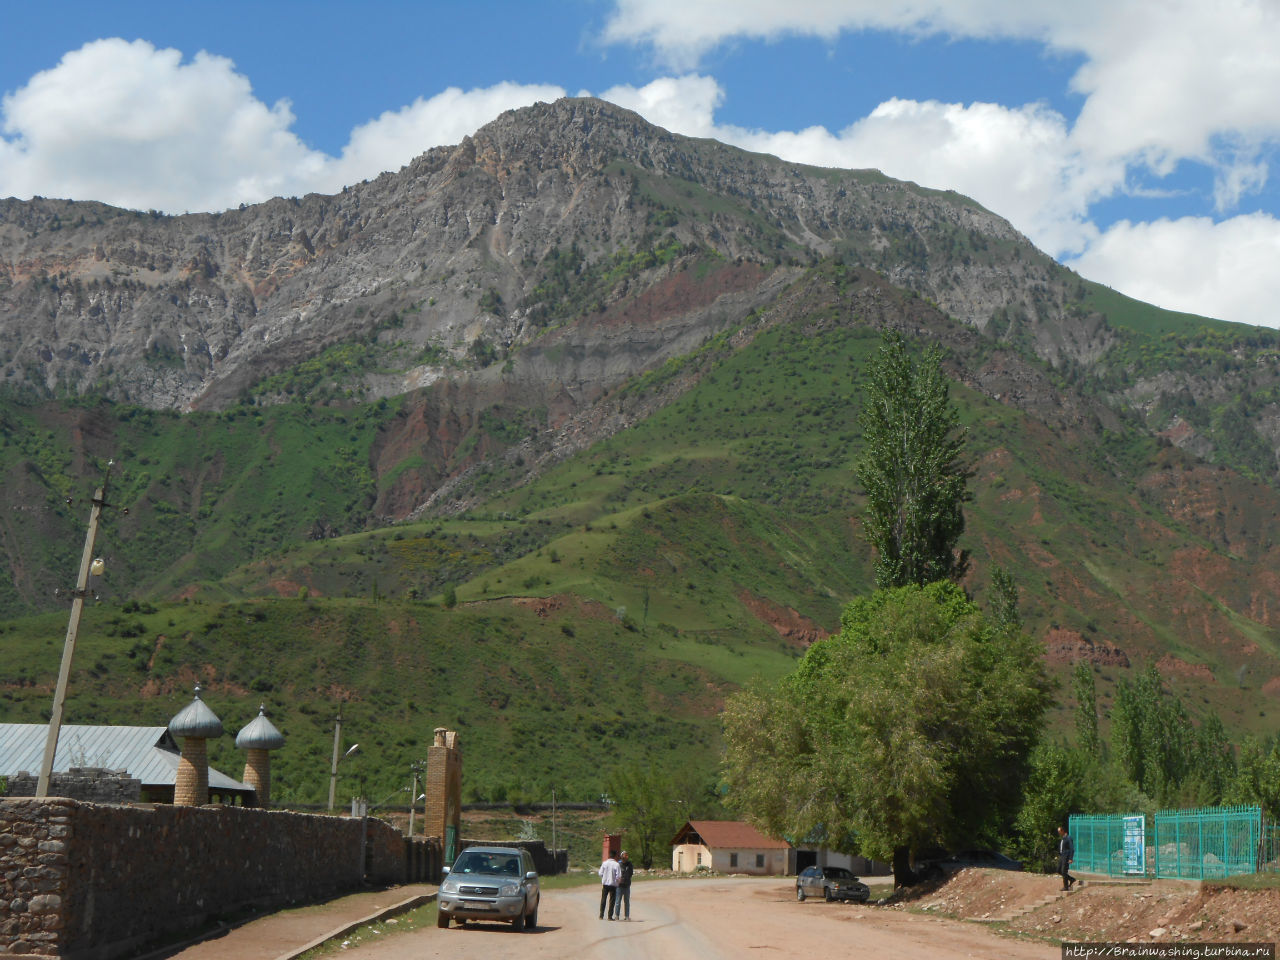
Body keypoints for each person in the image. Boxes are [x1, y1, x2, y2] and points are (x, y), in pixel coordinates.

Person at [598, 850, 621, 919]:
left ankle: (601, 915)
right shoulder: (616, 864)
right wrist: (617, 882)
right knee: (612, 901)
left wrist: (604, 877)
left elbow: (600, 873)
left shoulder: (604, 863)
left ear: (609, 855)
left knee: (603, 899)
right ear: (615, 856)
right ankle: (609, 916)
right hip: (613, 885)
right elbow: (618, 876)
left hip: (605, 884)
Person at [617, 849, 634, 920]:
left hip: (627, 885)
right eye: (625, 855)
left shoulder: (630, 864)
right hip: (619, 886)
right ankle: (617, 915)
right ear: (621, 856)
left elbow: (631, 873)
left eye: (627, 855)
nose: (626, 856)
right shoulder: (618, 864)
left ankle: (627, 916)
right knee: (618, 901)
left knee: (627, 902)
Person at [1057, 825, 1076, 890]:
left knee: (1064, 871)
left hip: (1066, 857)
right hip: (1062, 856)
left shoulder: (1068, 838)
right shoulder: (1063, 838)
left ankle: (1066, 886)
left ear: (1063, 831)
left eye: (1059, 831)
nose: (1058, 833)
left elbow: (1072, 849)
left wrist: (1071, 858)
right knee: (1059, 870)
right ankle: (1071, 879)